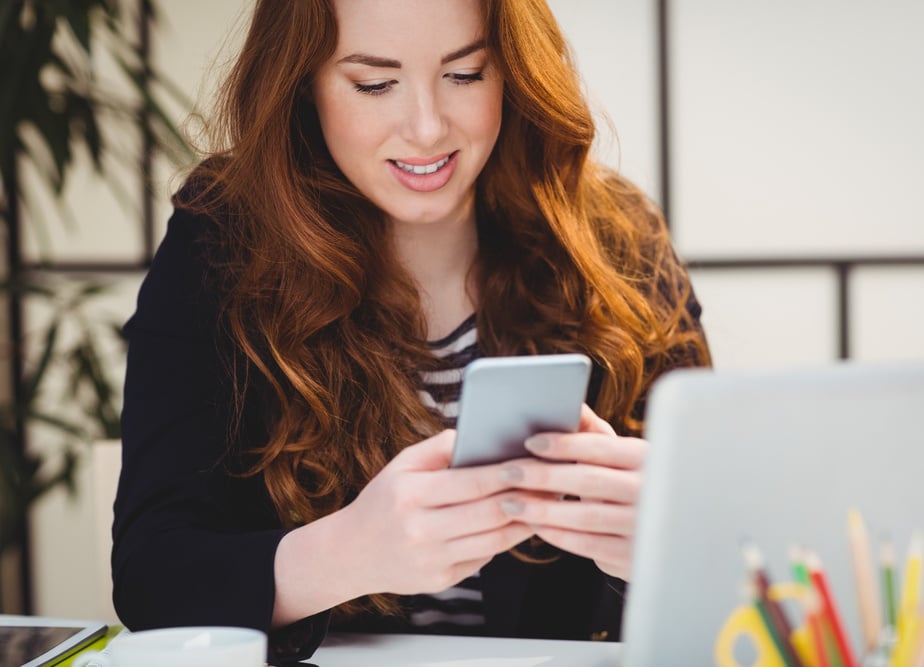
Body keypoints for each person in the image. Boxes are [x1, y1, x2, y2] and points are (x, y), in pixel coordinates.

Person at [112, 0, 712, 663]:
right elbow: (151, 577)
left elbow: (740, 558)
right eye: (375, 83)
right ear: (302, 83)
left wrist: (669, 548)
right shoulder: (221, 241)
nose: (427, 128)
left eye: (466, 74)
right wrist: (350, 554)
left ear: (512, 72)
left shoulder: (615, 238)